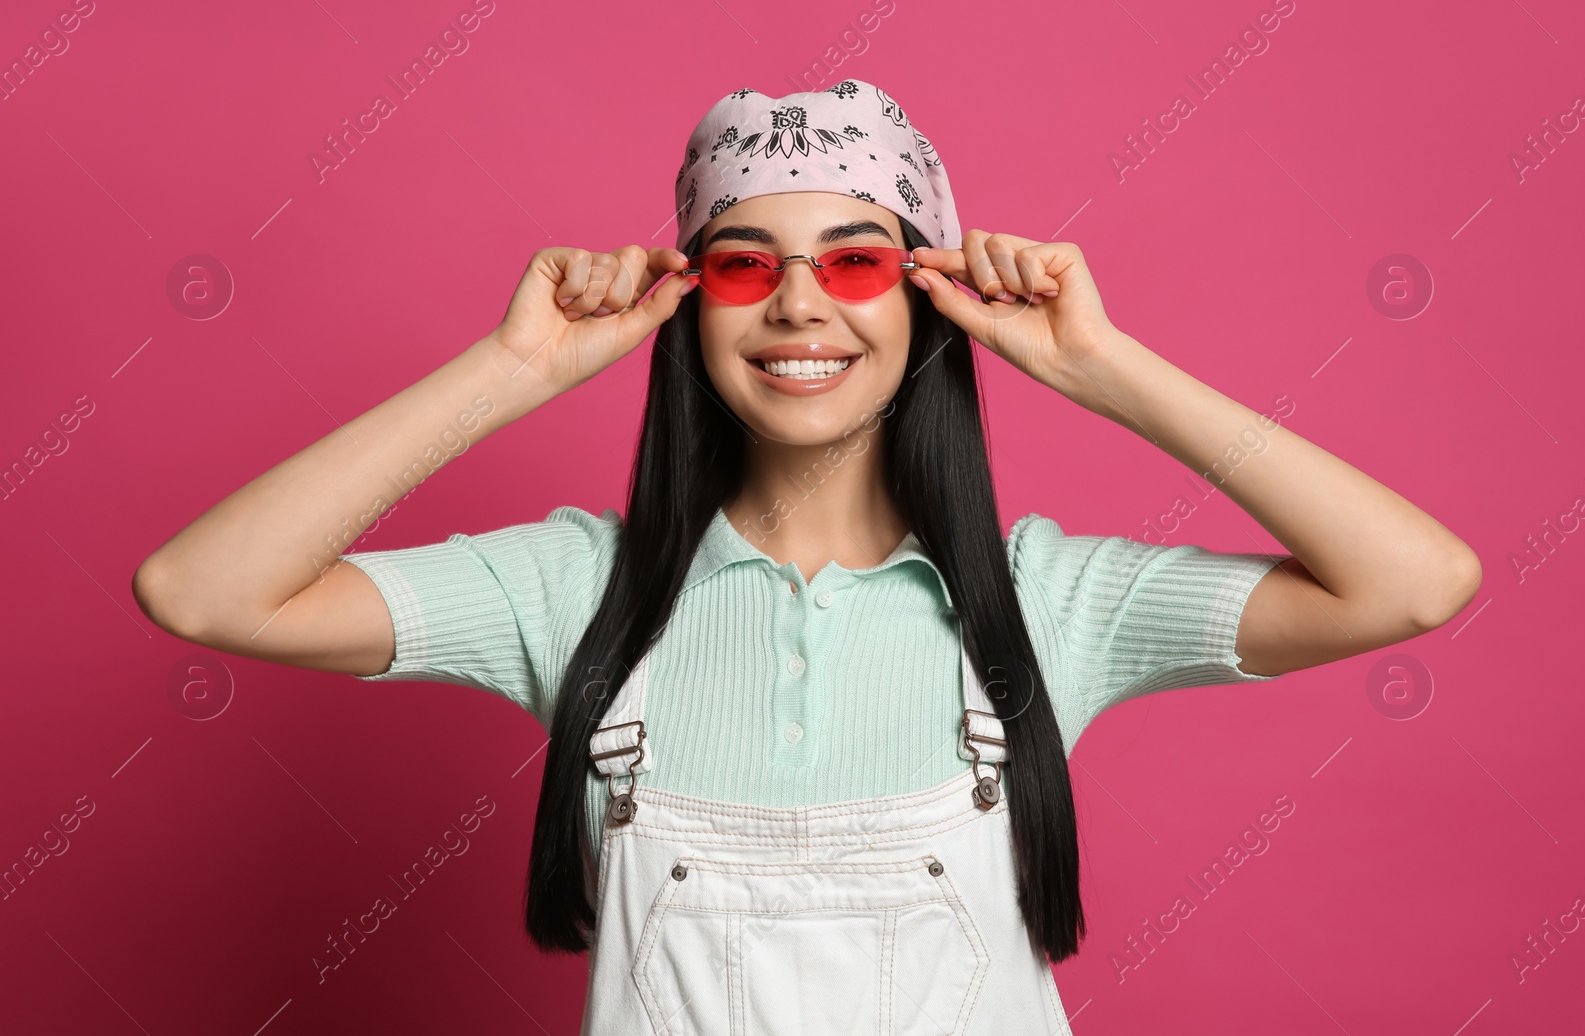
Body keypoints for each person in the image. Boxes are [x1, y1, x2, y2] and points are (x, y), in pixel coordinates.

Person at [132, 80, 1481, 1034]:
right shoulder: (574, 592)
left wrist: (1101, 365)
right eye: (741, 264)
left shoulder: (1046, 602)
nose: (796, 303)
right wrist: (508, 371)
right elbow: (202, 588)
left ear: (924, 297)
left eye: (854, 261)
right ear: (688, 305)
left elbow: (1414, 579)